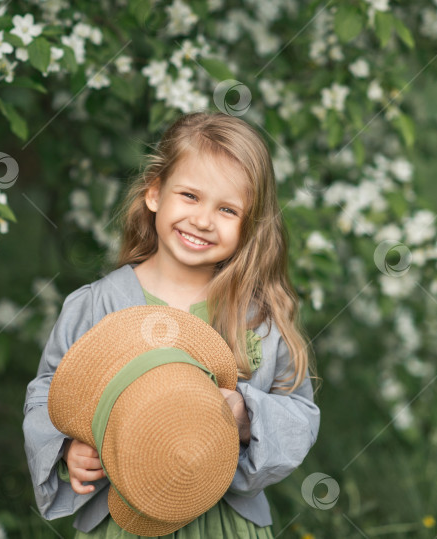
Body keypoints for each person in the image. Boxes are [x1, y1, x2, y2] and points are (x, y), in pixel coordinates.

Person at [23, 111, 321, 538]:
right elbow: (50, 392)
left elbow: (301, 413)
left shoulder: (257, 319)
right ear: (154, 194)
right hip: (123, 516)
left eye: (227, 209)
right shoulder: (99, 305)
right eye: (190, 196)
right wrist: (68, 447)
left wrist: (248, 417)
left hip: (226, 524)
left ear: (250, 224)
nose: (202, 220)